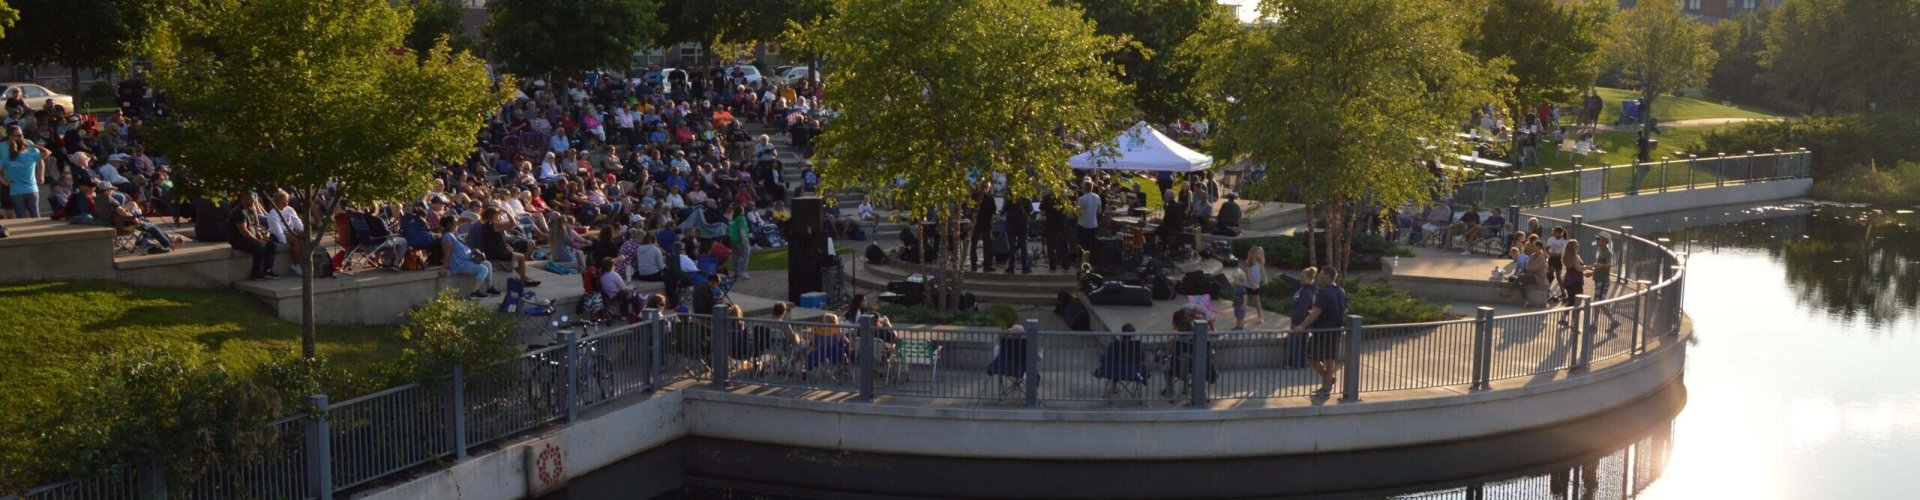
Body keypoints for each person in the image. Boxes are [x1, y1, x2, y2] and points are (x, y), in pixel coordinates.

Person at [1296, 269, 1348, 396]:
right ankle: (1328, 381)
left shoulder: (1323, 293)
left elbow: (1316, 312)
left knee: (1316, 357)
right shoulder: (1341, 291)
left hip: (1323, 330)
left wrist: (1302, 325)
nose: (1319, 276)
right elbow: (1345, 310)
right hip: (1335, 330)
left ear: (1329, 276)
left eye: (1322, 274)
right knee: (1326, 358)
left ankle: (1326, 385)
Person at [441, 214, 497, 299]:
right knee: (483, 269)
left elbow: (460, 220)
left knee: (487, 264)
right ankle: (474, 292)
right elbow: (446, 254)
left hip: (467, 260)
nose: (457, 224)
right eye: (455, 223)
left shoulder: (454, 233)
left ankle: (489, 288)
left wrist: (469, 219)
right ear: (450, 225)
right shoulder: (447, 237)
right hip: (459, 264)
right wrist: (444, 268)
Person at [1, 126, 49, 218]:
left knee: (28, 211)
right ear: (10, 136)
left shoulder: (28, 143)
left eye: (22, 134)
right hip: (10, 182)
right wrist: (4, 182)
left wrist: (41, 174)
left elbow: (40, 159)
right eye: (18, 135)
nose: (22, 137)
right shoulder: (2, 146)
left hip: (28, 183)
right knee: (9, 208)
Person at [229, 191, 278, 280]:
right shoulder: (239, 212)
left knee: (271, 245)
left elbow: (256, 225)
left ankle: (267, 270)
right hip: (239, 239)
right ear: (244, 199)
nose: (253, 200)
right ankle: (256, 273)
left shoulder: (251, 208)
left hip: (252, 237)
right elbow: (244, 231)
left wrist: (261, 236)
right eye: (251, 199)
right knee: (259, 247)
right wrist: (257, 240)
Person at [265, 190, 308, 276]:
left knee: (307, 236)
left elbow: (297, 222)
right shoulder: (273, 213)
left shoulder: (289, 209)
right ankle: (296, 265)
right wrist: (283, 240)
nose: (286, 202)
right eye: (284, 200)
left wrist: (303, 231)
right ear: (277, 201)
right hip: (279, 233)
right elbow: (278, 230)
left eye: (287, 200)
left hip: (291, 230)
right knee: (296, 242)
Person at [1285, 267, 1319, 370]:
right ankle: (1301, 363)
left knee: (1295, 343)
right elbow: (1295, 282)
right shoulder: (1306, 287)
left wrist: (1297, 323)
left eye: (1302, 277)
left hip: (1300, 322)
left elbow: (1302, 309)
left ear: (1309, 278)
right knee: (1302, 342)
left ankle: (1294, 364)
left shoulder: (1306, 292)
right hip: (1303, 321)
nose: (1300, 279)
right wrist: (1283, 276)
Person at [1557, 239, 1586, 329]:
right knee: (1576, 302)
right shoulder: (1573, 257)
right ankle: (1574, 324)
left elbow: (1577, 269)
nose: (1578, 247)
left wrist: (1585, 272)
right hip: (1574, 282)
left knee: (1571, 301)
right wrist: (1591, 266)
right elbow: (1578, 268)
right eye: (1577, 246)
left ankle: (1563, 318)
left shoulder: (1572, 256)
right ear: (1574, 248)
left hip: (1570, 281)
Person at [1003, 196, 1031, 274]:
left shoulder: (1010, 198)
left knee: (1012, 246)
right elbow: (1030, 210)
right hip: (1022, 225)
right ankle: (1024, 266)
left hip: (1011, 225)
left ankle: (1011, 267)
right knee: (1023, 246)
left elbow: (1004, 209)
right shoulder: (1026, 198)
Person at [1243, 246, 1268, 326]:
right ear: (1253, 253)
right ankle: (1242, 317)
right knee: (1245, 301)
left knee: (1257, 301)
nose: (1260, 254)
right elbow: (1248, 274)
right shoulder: (1249, 262)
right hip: (1247, 285)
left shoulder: (1260, 262)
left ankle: (1260, 317)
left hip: (1256, 286)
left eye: (1261, 253)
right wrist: (1251, 283)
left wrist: (1265, 279)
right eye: (1258, 252)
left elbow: (1263, 271)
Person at [1075, 181, 1101, 259]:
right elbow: (1099, 211)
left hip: (1083, 225)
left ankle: (1082, 261)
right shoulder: (1097, 197)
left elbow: (1077, 213)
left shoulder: (1082, 199)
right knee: (1092, 245)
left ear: (1084, 188)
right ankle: (1092, 261)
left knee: (1082, 245)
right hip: (1094, 224)